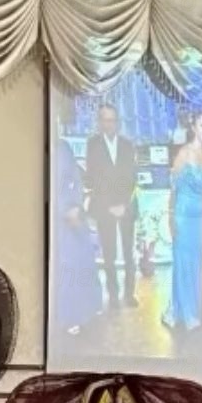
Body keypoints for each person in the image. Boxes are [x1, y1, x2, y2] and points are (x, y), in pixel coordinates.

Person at [164, 112, 202, 332]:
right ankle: (185, 312)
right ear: (193, 128)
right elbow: (173, 187)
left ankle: (188, 308)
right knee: (183, 263)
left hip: (199, 217)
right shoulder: (184, 153)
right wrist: (170, 216)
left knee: (195, 263)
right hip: (183, 215)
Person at [85, 103, 139, 310]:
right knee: (108, 255)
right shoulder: (93, 145)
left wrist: (123, 205)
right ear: (99, 122)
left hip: (126, 207)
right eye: (104, 120)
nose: (108, 124)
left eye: (112, 120)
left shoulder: (127, 145)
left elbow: (131, 176)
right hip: (104, 207)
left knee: (128, 253)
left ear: (117, 122)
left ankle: (129, 294)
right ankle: (114, 296)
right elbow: (93, 178)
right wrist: (109, 206)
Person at [54, 132, 103, 337]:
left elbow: (75, 179)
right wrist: (64, 211)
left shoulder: (64, 147)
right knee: (67, 266)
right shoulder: (52, 149)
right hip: (60, 222)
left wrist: (76, 207)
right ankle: (70, 317)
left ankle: (89, 308)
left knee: (84, 261)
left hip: (75, 216)